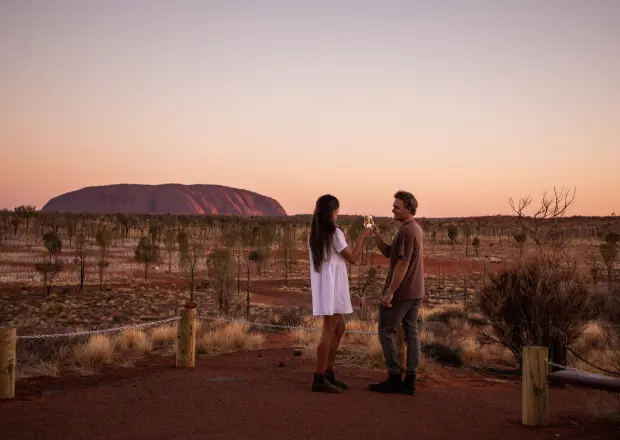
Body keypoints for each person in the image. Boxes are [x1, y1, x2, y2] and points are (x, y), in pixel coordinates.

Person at [308, 194, 371, 393]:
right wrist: (362, 237)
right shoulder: (334, 233)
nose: (338, 214)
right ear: (330, 213)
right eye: (336, 210)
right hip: (332, 286)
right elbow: (352, 258)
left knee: (339, 327)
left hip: (328, 285)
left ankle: (328, 372)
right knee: (329, 329)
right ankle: (319, 378)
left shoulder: (315, 233)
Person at [368, 190, 425, 395]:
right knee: (411, 333)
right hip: (415, 290)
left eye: (397, 206)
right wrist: (376, 236)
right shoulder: (412, 229)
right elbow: (391, 253)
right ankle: (409, 380)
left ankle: (394, 377)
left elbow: (403, 263)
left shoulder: (406, 231)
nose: (393, 208)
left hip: (402, 292)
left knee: (386, 330)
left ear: (408, 209)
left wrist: (390, 292)